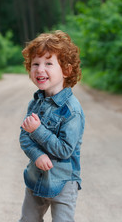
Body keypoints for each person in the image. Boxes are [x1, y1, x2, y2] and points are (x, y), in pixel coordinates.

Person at [18, 30, 85, 222]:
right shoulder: (36, 103)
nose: (40, 69)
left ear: (66, 70)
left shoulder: (72, 110)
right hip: (36, 179)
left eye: (48, 63)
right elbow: (24, 136)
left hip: (63, 181)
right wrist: (37, 155)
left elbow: (64, 150)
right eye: (35, 64)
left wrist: (38, 131)